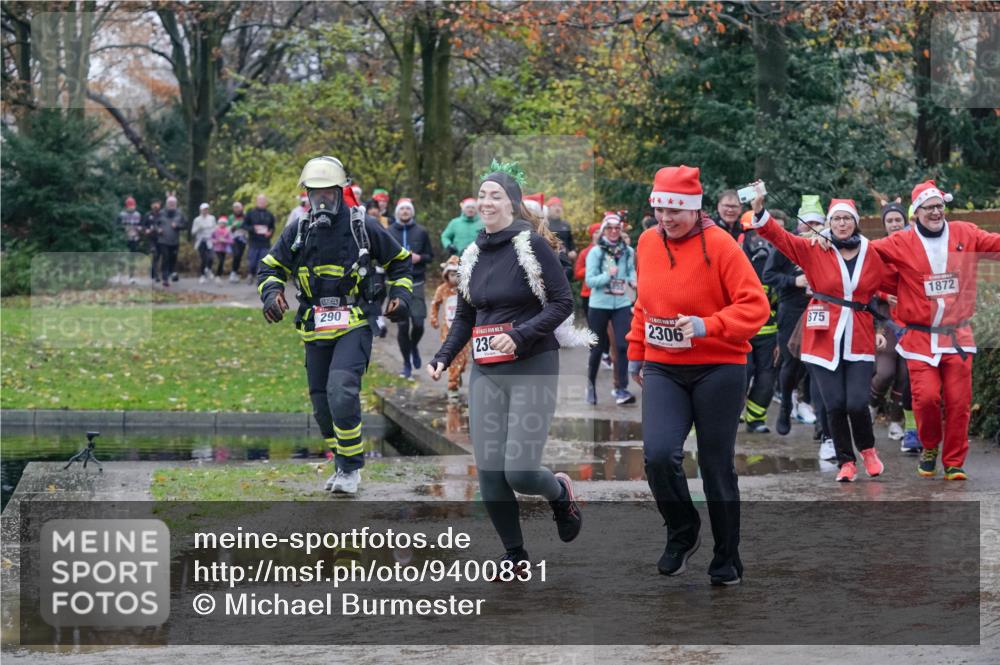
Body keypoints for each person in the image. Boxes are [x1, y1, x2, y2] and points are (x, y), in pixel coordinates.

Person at [427, 160, 585, 571]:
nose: (486, 201)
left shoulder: (531, 245)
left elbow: (563, 303)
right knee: (491, 472)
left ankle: (560, 493)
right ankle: (515, 554)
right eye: (481, 195)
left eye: (495, 195)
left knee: (519, 471)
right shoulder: (472, 253)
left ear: (513, 204)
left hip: (532, 364)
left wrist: (518, 334)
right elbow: (465, 317)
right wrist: (443, 357)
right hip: (486, 371)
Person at [627, 165, 769, 585]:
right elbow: (644, 302)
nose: (667, 218)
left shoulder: (722, 245)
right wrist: (636, 351)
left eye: (676, 210)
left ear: (694, 208)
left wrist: (708, 325)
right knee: (657, 455)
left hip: (719, 366)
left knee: (714, 465)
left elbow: (755, 307)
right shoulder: (647, 241)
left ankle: (727, 557)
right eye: (660, 209)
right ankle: (683, 531)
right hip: (663, 367)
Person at [257, 156, 413, 494]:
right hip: (314, 326)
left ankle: (351, 470)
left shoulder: (363, 225)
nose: (322, 201)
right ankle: (342, 461)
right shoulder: (298, 230)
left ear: (341, 192)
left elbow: (401, 264)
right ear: (307, 196)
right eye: (316, 195)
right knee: (322, 403)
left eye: (328, 193)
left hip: (355, 322)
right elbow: (269, 269)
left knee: (341, 391)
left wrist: (402, 296)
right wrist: (271, 295)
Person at [750, 192, 892, 482]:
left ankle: (867, 450)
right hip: (822, 337)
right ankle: (846, 462)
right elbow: (781, 239)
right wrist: (760, 211)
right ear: (830, 223)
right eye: (836, 219)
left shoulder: (872, 251)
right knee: (834, 404)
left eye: (847, 219)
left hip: (859, 336)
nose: (842, 224)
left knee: (855, 402)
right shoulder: (815, 247)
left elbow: (888, 287)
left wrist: (883, 326)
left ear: (855, 222)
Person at [867, 179, 1000, 480]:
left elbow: (995, 243)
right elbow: (866, 254)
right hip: (920, 338)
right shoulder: (901, 241)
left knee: (959, 401)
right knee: (926, 398)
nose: (936, 212)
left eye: (940, 206)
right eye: (929, 208)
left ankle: (953, 461)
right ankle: (929, 446)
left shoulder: (965, 232)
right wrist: (830, 243)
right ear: (916, 213)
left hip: (958, 336)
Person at [764, 195, 822, 437]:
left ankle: (822, 420)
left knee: (818, 365)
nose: (812, 229)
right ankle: (786, 403)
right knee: (792, 363)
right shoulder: (786, 247)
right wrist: (794, 281)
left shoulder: (827, 246)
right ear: (799, 226)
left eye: (817, 224)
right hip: (791, 310)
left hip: (819, 310)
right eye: (807, 224)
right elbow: (768, 276)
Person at [868, 199, 919, 451]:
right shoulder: (878, 249)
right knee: (886, 372)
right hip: (886, 318)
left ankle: (896, 420)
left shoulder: (915, 247)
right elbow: (866, 281)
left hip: (912, 320)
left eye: (898, 219)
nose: (895, 224)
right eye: (890, 221)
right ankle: (872, 403)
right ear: (884, 225)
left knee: (904, 375)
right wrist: (884, 295)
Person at [585, 212, 637, 406]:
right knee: (597, 349)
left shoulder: (628, 251)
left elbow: (631, 270)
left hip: (621, 302)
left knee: (623, 346)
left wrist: (633, 279)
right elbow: (590, 280)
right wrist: (608, 275)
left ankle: (621, 388)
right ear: (603, 230)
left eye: (617, 228)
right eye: (610, 228)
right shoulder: (596, 252)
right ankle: (590, 386)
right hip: (599, 304)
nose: (614, 231)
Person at [738, 210, 778, 433]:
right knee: (742, 375)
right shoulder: (734, 257)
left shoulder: (776, 257)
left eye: (762, 233)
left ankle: (756, 418)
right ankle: (732, 414)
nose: (759, 240)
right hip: (742, 331)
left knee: (766, 380)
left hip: (770, 333)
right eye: (753, 234)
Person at [387, 198, 434, 379]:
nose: (405, 211)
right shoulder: (389, 231)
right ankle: (406, 364)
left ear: (412, 212)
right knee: (402, 325)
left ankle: (413, 345)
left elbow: (430, 256)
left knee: (419, 323)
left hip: (417, 282)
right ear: (397, 212)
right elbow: (382, 256)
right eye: (402, 209)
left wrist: (419, 258)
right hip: (397, 284)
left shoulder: (421, 232)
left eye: (408, 209)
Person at [429, 256, 469, 399]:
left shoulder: (466, 289)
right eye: (452, 275)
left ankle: (458, 374)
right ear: (446, 275)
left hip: (466, 331)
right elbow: (435, 303)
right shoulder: (443, 289)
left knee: (463, 360)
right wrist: (434, 318)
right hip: (448, 331)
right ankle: (452, 386)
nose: (454, 279)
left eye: (457, 275)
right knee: (453, 359)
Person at [156, 196, 186, 288]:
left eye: (173, 203)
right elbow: (154, 224)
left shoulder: (180, 213)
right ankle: (165, 278)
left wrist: (177, 226)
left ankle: (171, 273)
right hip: (163, 240)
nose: (171, 205)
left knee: (173, 258)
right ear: (167, 204)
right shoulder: (161, 213)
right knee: (165, 258)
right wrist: (158, 230)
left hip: (174, 241)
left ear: (176, 204)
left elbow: (185, 225)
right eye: (170, 203)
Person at [245, 194, 276, 283]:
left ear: (266, 203)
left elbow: (272, 227)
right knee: (252, 262)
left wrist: (270, 232)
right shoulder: (250, 212)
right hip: (253, 242)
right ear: (257, 202)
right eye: (260, 201)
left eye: (263, 201)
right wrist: (253, 229)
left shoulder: (269, 214)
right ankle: (251, 274)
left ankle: (260, 280)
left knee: (263, 262)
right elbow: (244, 225)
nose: (262, 203)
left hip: (265, 242)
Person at [118, 196, 143, 284]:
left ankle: (131, 276)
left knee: (132, 257)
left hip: (134, 238)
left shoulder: (138, 215)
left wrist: (139, 229)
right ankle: (120, 275)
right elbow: (117, 226)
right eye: (129, 205)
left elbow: (141, 225)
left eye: (132, 205)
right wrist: (124, 229)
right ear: (126, 206)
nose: (131, 207)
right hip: (124, 238)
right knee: (122, 257)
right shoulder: (122, 214)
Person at [191, 202, 217, 283]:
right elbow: (193, 232)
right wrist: (199, 228)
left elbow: (215, 228)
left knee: (211, 257)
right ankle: (202, 275)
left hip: (210, 240)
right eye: (203, 210)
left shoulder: (212, 218)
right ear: (200, 210)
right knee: (203, 258)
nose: (205, 211)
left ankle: (208, 269)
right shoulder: (197, 220)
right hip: (201, 241)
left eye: (206, 210)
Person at [228, 202, 248, 282]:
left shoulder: (245, 216)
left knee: (239, 256)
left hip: (243, 239)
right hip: (233, 239)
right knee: (236, 254)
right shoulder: (231, 217)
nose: (237, 209)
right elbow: (228, 228)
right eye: (235, 207)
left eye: (238, 207)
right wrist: (233, 227)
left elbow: (247, 225)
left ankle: (235, 272)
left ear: (241, 208)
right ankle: (233, 272)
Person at [143, 200, 162, 282]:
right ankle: (157, 275)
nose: (156, 206)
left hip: (160, 238)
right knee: (155, 254)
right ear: (151, 205)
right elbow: (143, 225)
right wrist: (146, 230)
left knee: (157, 257)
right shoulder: (148, 215)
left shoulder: (162, 215)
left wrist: (162, 230)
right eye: (154, 204)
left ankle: (152, 271)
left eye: (157, 204)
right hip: (151, 238)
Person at [212, 215, 234, 280]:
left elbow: (231, 240)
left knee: (222, 262)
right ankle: (216, 274)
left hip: (224, 249)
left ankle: (219, 275)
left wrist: (225, 241)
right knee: (219, 261)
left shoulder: (227, 231)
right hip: (216, 248)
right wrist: (216, 241)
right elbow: (211, 238)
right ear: (219, 223)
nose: (222, 224)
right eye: (221, 223)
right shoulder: (215, 230)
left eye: (224, 223)